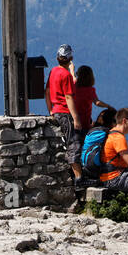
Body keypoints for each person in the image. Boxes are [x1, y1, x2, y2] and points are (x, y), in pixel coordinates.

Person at [45, 45, 81, 176]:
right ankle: (79, 178)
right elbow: (68, 96)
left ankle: (73, 175)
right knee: (73, 144)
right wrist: (76, 118)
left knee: (65, 143)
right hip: (66, 113)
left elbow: (47, 91)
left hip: (56, 111)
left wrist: (50, 109)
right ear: (70, 58)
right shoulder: (66, 75)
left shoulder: (53, 71)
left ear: (57, 58)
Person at [69, 65, 109, 181]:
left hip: (74, 121)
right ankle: (88, 169)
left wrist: (72, 69)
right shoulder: (90, 90)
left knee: (76, 146)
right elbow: (96, 102)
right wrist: (108, 106)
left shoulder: (74, 87)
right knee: (86, 146)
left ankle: (77, 172)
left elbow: (73, 78)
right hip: (85, 123)